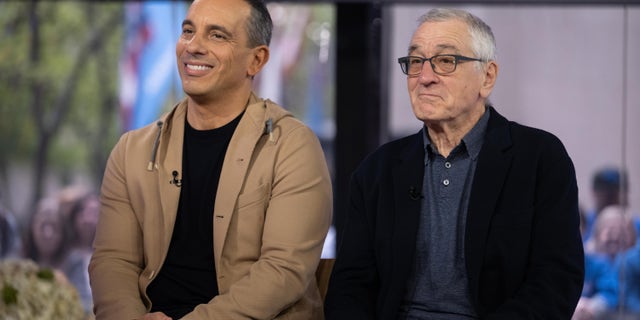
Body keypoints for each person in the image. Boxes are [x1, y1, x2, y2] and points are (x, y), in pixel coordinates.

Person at [324, 8, 584, 319]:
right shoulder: (377, 171)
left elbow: (555, 282)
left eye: (446, 62)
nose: (425, 78)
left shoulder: (540, 158)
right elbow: (350, 287)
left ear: (486, 78)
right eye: (416, 61)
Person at [88, 0, 332, 319]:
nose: (194, 46)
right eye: (188, 31)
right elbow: (112, 261)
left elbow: (281, 272)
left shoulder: (293, 147)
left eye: (217, 35)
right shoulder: (132, 150)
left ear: (256, 60)